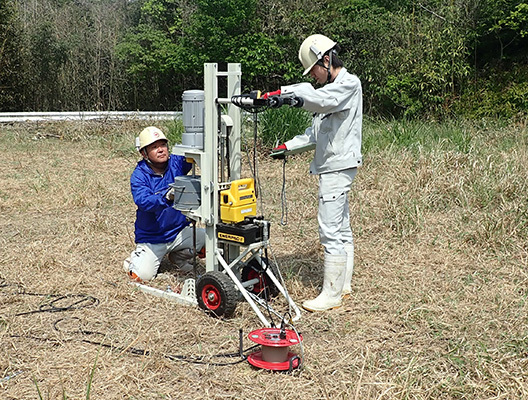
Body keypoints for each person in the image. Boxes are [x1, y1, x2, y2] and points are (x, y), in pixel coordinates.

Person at [267, 34, 362, 312]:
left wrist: (288, 95)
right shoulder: (330, 91)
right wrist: (287, 146)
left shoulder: (347, 84)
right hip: (334, 165)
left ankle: (331, 295)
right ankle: (342, 286)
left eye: (314, 70)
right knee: (341, 227)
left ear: (325, 59)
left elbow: (320, 100)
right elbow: (315, 133)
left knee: (329, 228)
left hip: (338, 165)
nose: (315, 76)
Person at [123, 126, 205, 282]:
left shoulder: (177, 163)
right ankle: (136, 259)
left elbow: (197, 153)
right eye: (154, 147)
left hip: (179, 232)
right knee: (140, 276)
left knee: (213, 240)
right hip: (153, 238)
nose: (160, 150)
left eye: (163, 145)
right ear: (144, 153)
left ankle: (179, 256)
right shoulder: (139, 175)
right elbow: (143, 201)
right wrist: (166, 197)